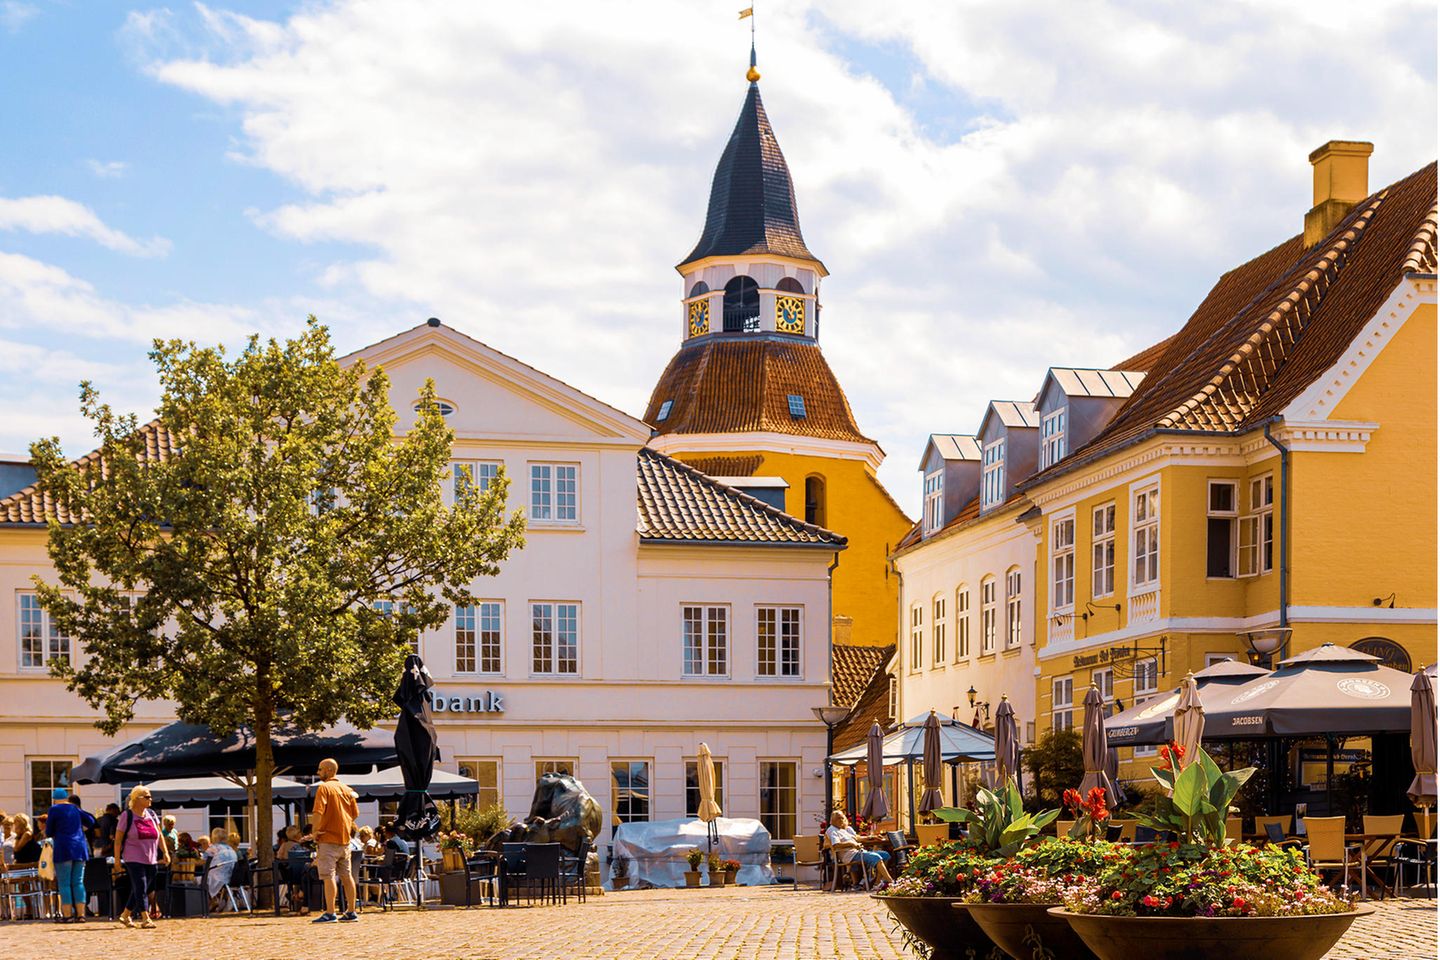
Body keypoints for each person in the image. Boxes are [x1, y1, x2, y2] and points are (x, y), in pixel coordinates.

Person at [308, 758, 360, 923]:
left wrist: (315, 831)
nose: (318, 772)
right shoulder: (347, 789)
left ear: (329, 770)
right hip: (345, 840)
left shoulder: (324, 788)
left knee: (328, 875)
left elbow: (318, 811)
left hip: (328, 839)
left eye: (320, 769)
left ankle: (330, 912)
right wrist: (343, 823)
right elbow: (355, 813)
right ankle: (351, 911)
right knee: (347, 876)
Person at [115, 785, 170, 928]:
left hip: (151, 858)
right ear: (137, 799)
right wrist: (117, 860)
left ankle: (125, 915)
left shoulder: (151, 814)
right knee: (140, 886)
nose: (150, 799)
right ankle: (146, 918)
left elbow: (159, 835)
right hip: (133, 857)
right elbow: (118, 840)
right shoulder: (127, 815)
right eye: (147, 796)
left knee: (142, 888)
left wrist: (165, 852)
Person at [46, 787, 96, 922]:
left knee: (64, 883)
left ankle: (67, 916)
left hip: (63, 848)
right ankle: (81, 915)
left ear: (54, 799)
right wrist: (80, 828)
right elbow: (91, 821)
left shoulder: (54, 809)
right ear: (66, 798)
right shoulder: (74, 808)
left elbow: (49, 831)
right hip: (79, 848)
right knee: (78, 882)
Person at [824, 811, 892, 886]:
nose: (841, 820)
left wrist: (872, 837)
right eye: (838, 818)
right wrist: (851, 844)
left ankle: (877, 882)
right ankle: (891, 882)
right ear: (833, 820)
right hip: (849, 855)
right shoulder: (832, 830)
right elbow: (835, 845)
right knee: (876, 857)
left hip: (858, 852)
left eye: (842, 818)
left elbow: (857, 838)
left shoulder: (843, 829)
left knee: (885, 855)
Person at [204, 826, 238, 907]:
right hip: (230, 878)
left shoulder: (213, 848)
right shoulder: (231, 849)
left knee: (195, 880)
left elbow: (203, 861)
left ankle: (209, 901)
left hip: (216, 879)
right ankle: (214, 899)